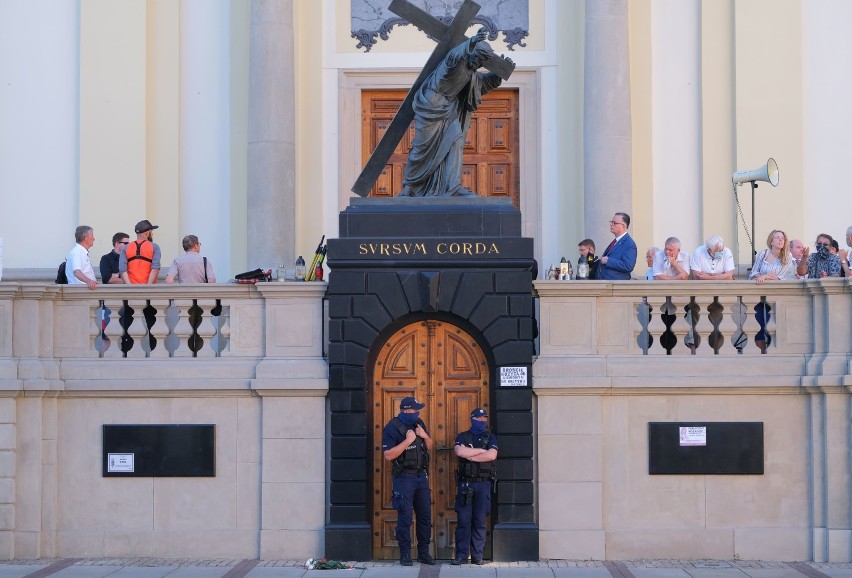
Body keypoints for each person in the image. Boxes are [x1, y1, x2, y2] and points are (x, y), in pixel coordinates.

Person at [401, 28, 513, 197]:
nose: (480, 64)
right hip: (431, 105)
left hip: (449, 107)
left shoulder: (472, 73)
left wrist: (498, 76)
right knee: (422, 147)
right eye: (479, 59)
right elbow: (454, 56)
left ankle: (453, 187)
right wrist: (472, 41)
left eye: (483, 62)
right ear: (472, 52)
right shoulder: (455, 62)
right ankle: (410, 185)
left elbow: (481, 85)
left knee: (456, 140)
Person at [382, 396, 435, 567]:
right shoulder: (392, 428)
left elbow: (430, 446)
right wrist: (408, 441)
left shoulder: (418, 423)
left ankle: (423, 553)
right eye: (414, 410)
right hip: (404, 477)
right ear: (406, 410)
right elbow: (388, 455)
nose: (417, 413)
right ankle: (405, 554)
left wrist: (424, 435)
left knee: (425, 517)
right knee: (405, 517)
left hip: (421, 477)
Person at [451, 408, 498, 566]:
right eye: (479, 418)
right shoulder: (462, 436)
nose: (482, 421)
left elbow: (491, 455)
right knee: (464, 521)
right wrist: (479, 452)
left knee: (479, 521)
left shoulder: (490, 437)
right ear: (472, 419)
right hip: (466, 485)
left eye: (484, 418)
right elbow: (458, 451)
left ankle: (477, 556)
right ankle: (461, 556)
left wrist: (470, 455)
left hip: (483, 484)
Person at [749, 230, 793, 353]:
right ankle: (761, 352)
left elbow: (780, 277)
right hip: (759, 293)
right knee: (759, 323)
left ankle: (773, 351)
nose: (780, 240)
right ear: (771, 241)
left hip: (776, 295)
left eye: (783, 239)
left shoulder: (787, 256)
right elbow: (754, 272)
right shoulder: (763, 254)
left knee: (772, 322)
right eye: (777, 238)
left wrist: (765, 276)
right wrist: (761, 276)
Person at [597, 212, 637, 280]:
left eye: (614, 223)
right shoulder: (616, 241)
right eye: (611, 222)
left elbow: (628, 266)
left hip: (617, 286)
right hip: (606, 284)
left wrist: (608, 261)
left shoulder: (629, 244)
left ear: (623, 226)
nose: (611, 225)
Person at [120, 220, 162, 284]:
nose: (152, 234)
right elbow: (155, 268)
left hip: (131, 288)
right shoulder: (155, 247)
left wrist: (130, 286)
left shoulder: (125, 248)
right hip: (149, 288)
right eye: (151, 232)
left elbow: (122, 270)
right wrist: (148, 286)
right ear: (147, 233)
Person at [65, 225, 98, 290]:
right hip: (81, 291)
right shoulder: (78, 252)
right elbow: (77, 272)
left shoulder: (80, 252)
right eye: (92, 235)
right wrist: (89, 281)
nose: (94, 239)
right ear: (85, 237)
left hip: (85, 290)